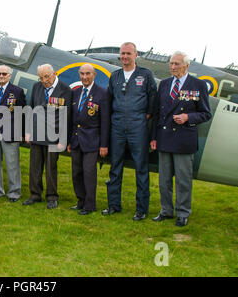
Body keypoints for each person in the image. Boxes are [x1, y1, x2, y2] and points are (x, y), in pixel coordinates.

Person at [151, 52, 211, 227]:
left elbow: (206, 113)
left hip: (184, 140)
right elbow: (157, 113)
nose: (173, 67)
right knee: (164, 180)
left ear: (187, 65)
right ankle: (166, 211)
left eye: (177, 64)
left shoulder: (198, 85)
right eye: (171, 63)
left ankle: (183, 213)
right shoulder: (164, 84)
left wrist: (188, 117)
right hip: (164, 138)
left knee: (183, 180)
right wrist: (154, 137)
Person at [102, 42, 157, 221]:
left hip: (137, 127)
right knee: (115, 167)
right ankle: (113, 205)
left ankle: (141, 209)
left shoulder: (145, 75)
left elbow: (152, 100)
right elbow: (110, 100)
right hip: (117, 126)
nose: (125, 57)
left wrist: (143, 117)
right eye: (122, 54)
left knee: (141, 168)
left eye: (128, 53)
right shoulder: (115, 75)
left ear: (136, 55)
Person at [23, 64, 71, 209]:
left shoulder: (65, 90)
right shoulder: (37, 87)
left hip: (54, 137)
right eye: (41, 77)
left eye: (47, 76)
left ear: (54, 74)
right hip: (37, 134)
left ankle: (52, 197)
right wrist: (28, 131)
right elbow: (31, 109)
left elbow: (67, 117)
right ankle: (35, 195)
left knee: (51, 168)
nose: (44, 80)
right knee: (35, 167)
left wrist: (63, 139)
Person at [67, 64, 110, 215]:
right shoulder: (76, 92)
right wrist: (70, 140)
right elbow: (72, 118)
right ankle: (80, 200)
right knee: (76, 172)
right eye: (82, 74)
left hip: (93, 141)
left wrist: (104, 145)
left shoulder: (102, 93)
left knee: (89, 173)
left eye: (88, 74)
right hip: (77, 139)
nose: (85, 77)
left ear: (94, 75)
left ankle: (90, 205)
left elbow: (105, 122)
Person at [0, 65, 26, 202]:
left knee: (12, 164)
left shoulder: (17, 91)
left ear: (10, 75)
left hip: (11, 132)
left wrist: (21, 132)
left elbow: (23, 114)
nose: (1, 76)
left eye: (4, 74)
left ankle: (14, 192)